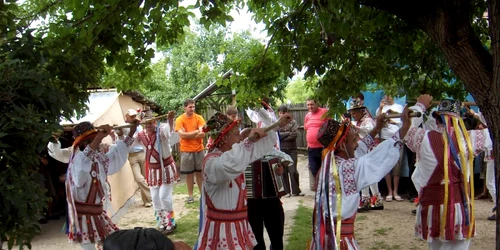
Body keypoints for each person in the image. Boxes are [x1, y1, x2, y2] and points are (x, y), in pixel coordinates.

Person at [310, 104, 413, 250]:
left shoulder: (329, 164)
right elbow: (375, 158)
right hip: (340, 241)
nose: (356, 145)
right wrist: (404, 128)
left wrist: (377, 128)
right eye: (353, 141)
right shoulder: (347, 168)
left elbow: (361, 147)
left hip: (327, 238)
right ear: (341, 146)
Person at [195, 111, 292, 250]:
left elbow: (254, 149)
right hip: (222, 231)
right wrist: (249, 140)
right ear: (225, 138)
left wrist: (276, 125)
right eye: (236, 134)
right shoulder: (212, 162)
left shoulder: (231, 155)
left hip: (237, 227)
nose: (239, 137)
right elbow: (233, 161)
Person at [405, 97, 492, 250]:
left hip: (432, 207)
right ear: (459, 120)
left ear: (437, 119)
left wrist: (420, 106)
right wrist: (480, 113)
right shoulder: (470, 139)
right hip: (459, 208)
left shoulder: (421, 137)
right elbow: (493, 130)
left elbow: (405, 128)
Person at [48, 121, 137, 250]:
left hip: (98, 212)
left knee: (113, 242)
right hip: (84, 217)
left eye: (94, 139)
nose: (97, 143)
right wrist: (99, 136)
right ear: (83, 143)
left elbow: (116, 153)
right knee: (89, 247)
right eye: (90, 140)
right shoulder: (77, 160)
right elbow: (83, 162)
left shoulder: (98, 158)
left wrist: (132, 131)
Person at [122, 109, 180, 235]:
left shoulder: (161, 129)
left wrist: (170, 120)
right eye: (146, 123)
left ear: (155, 121)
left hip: (165, 168)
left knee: (164, 196)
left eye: (151, 122)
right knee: (155, 197)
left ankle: (171, 223)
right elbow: (127, 145)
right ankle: (162, 223)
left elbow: (170, 134)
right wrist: (126, 132)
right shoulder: (141, 135)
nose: (149, 125)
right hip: (153, 170)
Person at [348, 96, 384, 212]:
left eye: (355, 112)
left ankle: (368, 200)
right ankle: (373, 199)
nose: (353, 115)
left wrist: (355, 128)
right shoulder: (358, 122)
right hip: (362, 151)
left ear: (361, 112)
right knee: (365, 174)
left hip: (369, 150)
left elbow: (368, 131)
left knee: (366, 174)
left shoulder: (368, 121)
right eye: (352, 113)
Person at [175, 99, 206, 204]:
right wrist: (196, 132)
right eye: (190, 107)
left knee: (200, 173)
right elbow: (182, 135)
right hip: (186, 150)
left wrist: (189, 134)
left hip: (199, 149)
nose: (192, 109)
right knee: (189, 174)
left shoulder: (199, 118)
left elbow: (203, 133)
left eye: (193, 106)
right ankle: (190, 196)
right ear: (185, 107)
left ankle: (202, 195)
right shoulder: (180, 119)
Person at [376, 95, 404, 202]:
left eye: (389, 95)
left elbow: (403, 122)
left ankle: (396, 191)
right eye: (385, 95)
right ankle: (389, 191)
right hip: (385, 137)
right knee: (386, 163)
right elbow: (377, 122)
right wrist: (381, 109)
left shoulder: (399, 107)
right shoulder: (381, 108)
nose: (387, 97)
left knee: (397, 164)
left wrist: (394, 121)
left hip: (397, 137)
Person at [123, 108, 153, 207]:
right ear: (126, 117)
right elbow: (124, 142)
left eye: (135, 116)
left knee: (145, 178)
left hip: (142, 153)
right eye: (131, 116)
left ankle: (146, 201)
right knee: (139, 179)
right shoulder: (123, 128)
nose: (134, 118)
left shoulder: (139, 127)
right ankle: (152, 196)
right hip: (132, 156)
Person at [277, 105, 304, 197]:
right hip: (282, 150)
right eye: (280, 113)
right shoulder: (276, 123)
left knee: (293, 171)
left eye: (284, 113)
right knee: (283, 171)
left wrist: (283, 135)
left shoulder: (293, 122)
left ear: (287, 113)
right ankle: (286, 191)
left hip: (292, 149)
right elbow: (277, 136)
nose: (282, 115)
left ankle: (296, 190)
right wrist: (288, 132)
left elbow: (295, 134)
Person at [304, 97, 329, 183]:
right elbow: (307, 130)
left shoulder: (325, 112)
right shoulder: (307, 116)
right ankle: (319, 189)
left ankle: (326, 190)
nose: (310, 106)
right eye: (308, 105)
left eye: (312, 104)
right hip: (312, 148)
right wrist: (308, 143)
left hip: (323, 147)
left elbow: (331, 127)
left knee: (325, 170)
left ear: (316, 104)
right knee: (313, 169)